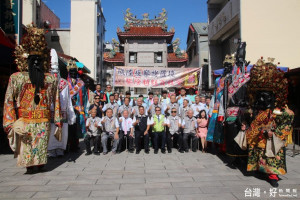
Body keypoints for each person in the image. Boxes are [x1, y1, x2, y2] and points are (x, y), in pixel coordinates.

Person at [3, 25, 61, 174]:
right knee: (29, 145)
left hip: (42, 119)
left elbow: (55, 100)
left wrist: (57, 120)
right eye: (33, 59)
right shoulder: (17, 78)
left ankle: (39, 164)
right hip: (27, 120)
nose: (36, 63)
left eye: (38, 59)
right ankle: (31, 165)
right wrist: (11, 121)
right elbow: (9, 100)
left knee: (40, 145)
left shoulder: (49, 79)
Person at [246, 58, 294, 187]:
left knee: (272, 155)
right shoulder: (257, 110)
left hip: (272, 138)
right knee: (259, 153)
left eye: (265, 96)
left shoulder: (281, 110)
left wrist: (275, 132)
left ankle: (273, 175)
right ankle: (260, 170)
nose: (261, 99)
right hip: (259, 137)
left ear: (273, 96)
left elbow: (286, 124)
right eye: (259, 95)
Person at [48, 49, 76, 158]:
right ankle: (51, 150)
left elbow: (68, 99)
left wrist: (71, 113)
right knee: (51, 132)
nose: (54, 73)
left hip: (62, 112)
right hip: (50, 111)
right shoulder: (47, 81)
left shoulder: (64, 83)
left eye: (56, 70)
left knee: (63, 132)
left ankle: (60, 149)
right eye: (52, 70)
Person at [67, 60, 89, 152]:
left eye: (74, 71)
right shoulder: (65, 83)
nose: (72, 73)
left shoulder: (81, 83)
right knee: (68, 128)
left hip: (78, 108)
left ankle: (75, 145)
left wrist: (85, 108)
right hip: (68, 108)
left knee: (77, 127)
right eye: (70, 71)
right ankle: (68, 145)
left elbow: (84, 96)